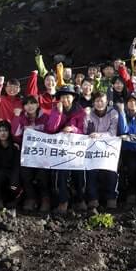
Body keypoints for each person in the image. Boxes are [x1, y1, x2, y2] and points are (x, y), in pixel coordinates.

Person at [46, 85, 87, 214]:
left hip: (76, 150)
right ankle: (63, 201)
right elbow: (51, 129)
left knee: (79, 175)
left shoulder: (81, 111)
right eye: (63, 97)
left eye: (68, 96)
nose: (65, 100)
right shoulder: (55, 110)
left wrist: (73, 129)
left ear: (73, 97)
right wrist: (58, 113)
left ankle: (80, 200)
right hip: (60, 150)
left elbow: (84, 131)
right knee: (61, 175)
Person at [85, 92, 120, 210]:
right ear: (93, 102)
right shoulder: (89, 113)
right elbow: (85, 131)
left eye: (102, 101)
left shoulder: (113, 113)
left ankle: (111, 198)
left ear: (107, 102)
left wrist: (99, 135)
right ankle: (93, 199)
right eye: (97, 101)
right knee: (91, 172)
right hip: (92, 149)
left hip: (109, 148)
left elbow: (112, 132)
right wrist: (86, 117)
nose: (100, 104)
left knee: (111, 171)